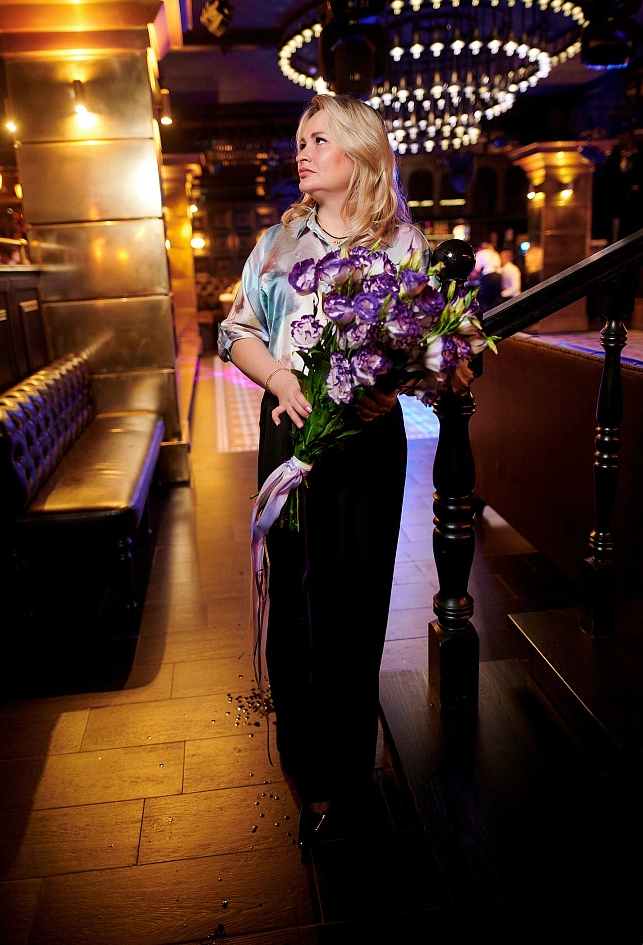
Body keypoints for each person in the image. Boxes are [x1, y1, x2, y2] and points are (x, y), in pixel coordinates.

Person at [218, 94, 472, 850]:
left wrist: (398, 384)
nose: (301, 151)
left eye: (318, 139)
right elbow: (237, 331)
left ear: (360, 152)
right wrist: (280, 379)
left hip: (368, 443)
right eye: (299, 140)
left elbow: (435, 345)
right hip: (292, 438)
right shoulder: (277, 243)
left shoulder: (406, 246)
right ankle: (309, 769)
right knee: (298, 606)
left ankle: (353, 769)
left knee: (357, 604)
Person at [473, 241, 502, 312]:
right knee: (494, 298)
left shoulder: (480, 253)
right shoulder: (495, 253)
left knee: (483, 298)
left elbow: (477, 268)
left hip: (488, 276)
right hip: (498, 276)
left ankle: (485, 315)